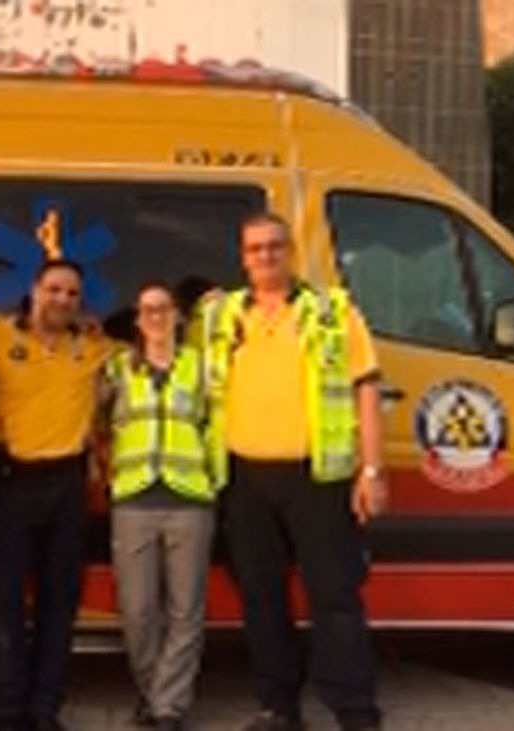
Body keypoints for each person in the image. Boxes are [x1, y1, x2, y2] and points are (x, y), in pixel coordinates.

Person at [190, 212, 386, 731]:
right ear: (242, 257)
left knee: (335, 597)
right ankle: (279, 708)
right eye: (255, 248)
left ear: (291, 250)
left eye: (274, 246)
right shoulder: (221, 315)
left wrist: (372, 471)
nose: (265, 256)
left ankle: (355, 711)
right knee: (261, 599)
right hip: (245, 479)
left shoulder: (330, 310)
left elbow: (367, 387)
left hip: (316, 479)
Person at [0, 259, 113, 731]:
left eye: (72, 294)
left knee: (59, 604)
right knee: (6, 602)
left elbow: (150, 343)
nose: (62, 300)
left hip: (66, 486)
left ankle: (45, 709)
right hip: (10, 483)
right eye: (54, 290)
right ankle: (8, 710)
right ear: (34, 290)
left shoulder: (92, 346)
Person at [103, 282, 214, 731]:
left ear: (178, 316)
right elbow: (92, 421)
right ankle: (154, 694)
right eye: (147, 309)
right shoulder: (116, 369)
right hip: (133, 499)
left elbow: (216, 425)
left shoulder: (201, 367)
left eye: (163, 309)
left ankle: (168, 707)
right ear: (136, 319)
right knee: (138, 611)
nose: (155, 317)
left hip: (190, 499)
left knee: (186, 611)